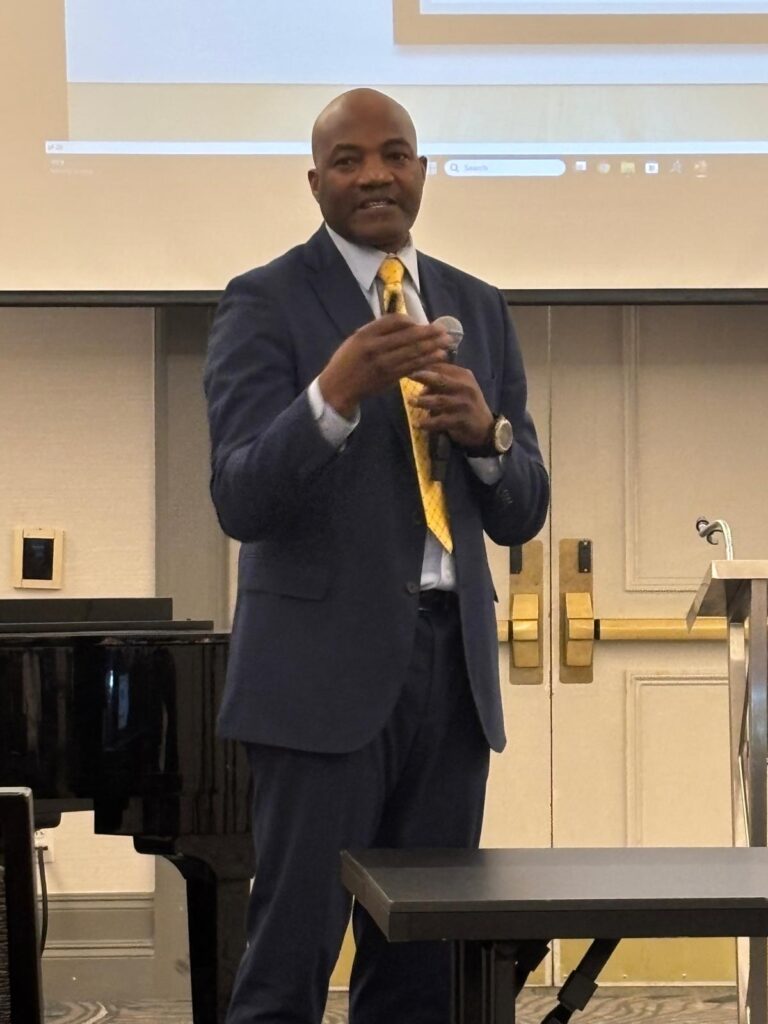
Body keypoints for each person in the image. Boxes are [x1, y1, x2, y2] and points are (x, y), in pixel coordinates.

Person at [204, 87, 549, 1024]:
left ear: (423, 172)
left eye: (394, 155)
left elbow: (523, 512)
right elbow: (239, 497)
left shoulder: (478, 306)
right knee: (289, 964)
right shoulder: (264, 301)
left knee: (424, 976)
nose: (375, 176)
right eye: (348, 161)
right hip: (318, 685)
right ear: (315, 180)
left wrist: (487, 438)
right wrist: (332, 396)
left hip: (453, 682)